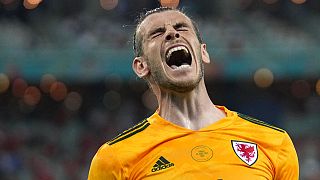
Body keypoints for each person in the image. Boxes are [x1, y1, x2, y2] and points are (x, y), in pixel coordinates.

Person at [88, 7, 299, 179]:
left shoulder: (274, 143)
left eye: (181, 27)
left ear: (203, 52)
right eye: (157, 33)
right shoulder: (114, 159)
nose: (172, 33)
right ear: (141, 66)